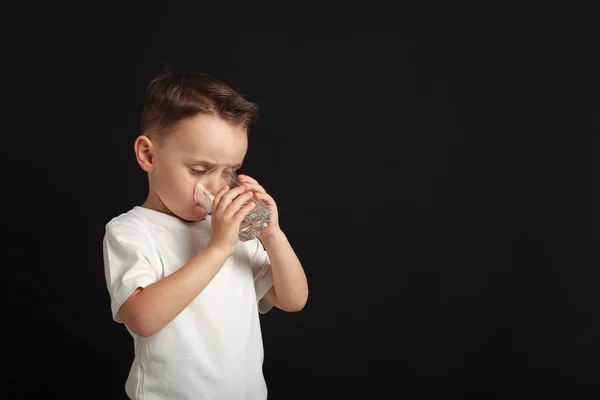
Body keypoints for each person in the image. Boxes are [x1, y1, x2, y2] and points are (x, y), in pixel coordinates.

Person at [102, 70, 309, 400]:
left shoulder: (230, 231)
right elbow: (142, 318)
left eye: (229, 172)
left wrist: (273, 235)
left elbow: (293, 299)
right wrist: (216, 249)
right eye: (200, 170)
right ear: (148, 155)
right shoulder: (132, 231)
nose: (216, 185)